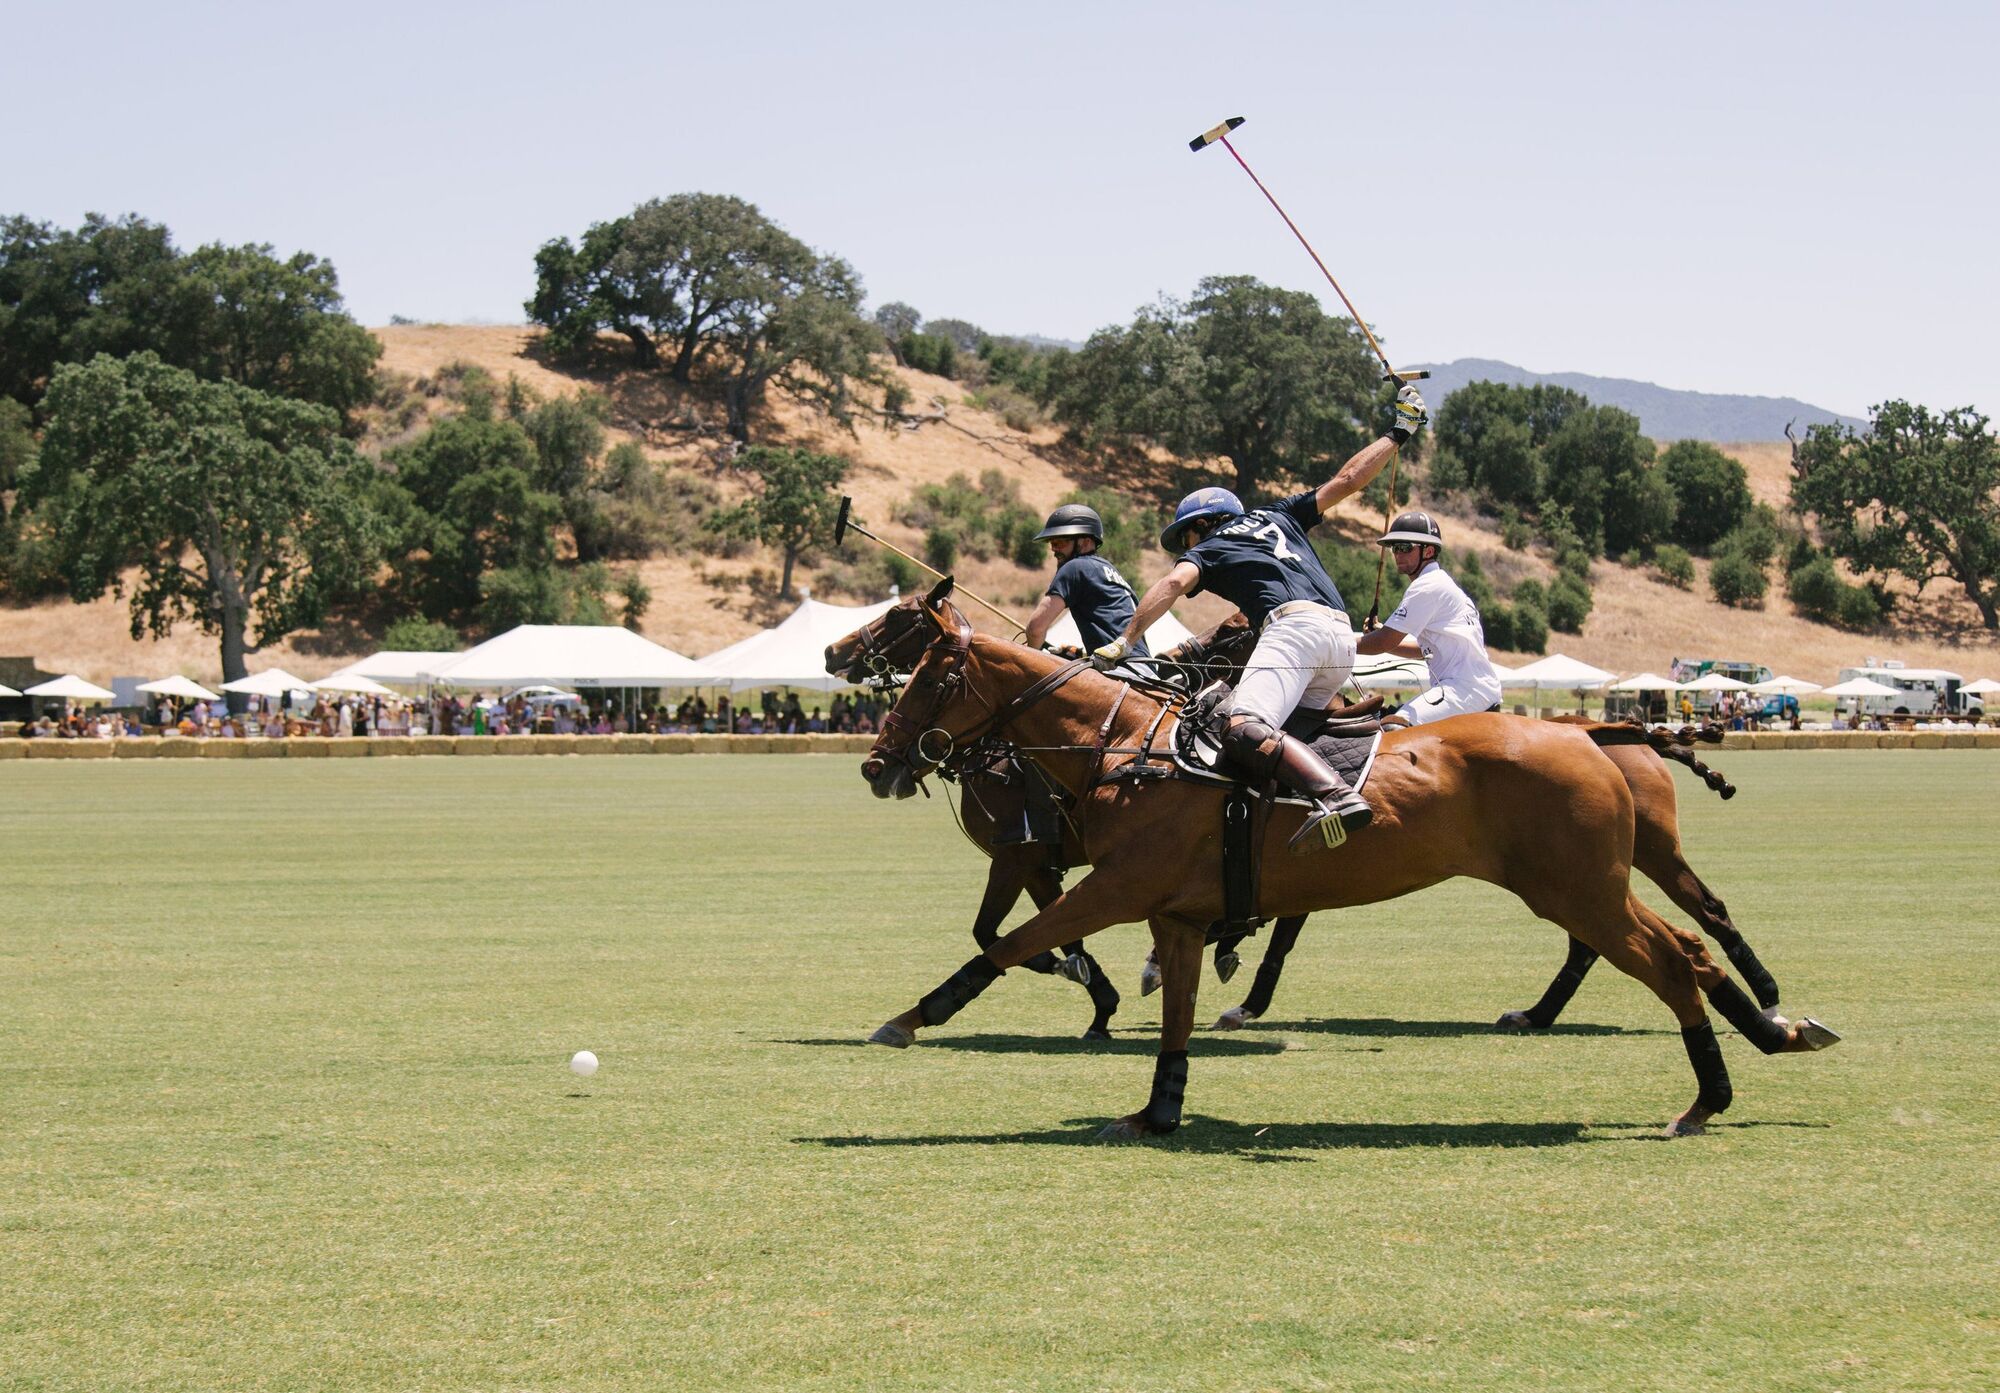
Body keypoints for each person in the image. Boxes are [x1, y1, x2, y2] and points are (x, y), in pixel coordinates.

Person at [1097, 385, 1428, 851]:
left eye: (1187, 537)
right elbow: (1351, 479)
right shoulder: (1279, 513)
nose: (1188, 546)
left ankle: (1337, 799)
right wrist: (1400, 430)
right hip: (1340, 638)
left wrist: (1125, 639)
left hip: (1295, 633)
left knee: (1242, 726)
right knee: (1290, 738)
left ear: (1203, 524)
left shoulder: (1211, 546)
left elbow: (1172, 584)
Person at [1354, 512, 1502, 727]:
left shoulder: (1427, 586)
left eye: (1405, 547)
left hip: (1462, 690)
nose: (1398, 553)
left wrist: (1334, 644)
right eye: (1395, 547)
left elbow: (1384, 641)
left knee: (1393, 728)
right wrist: (1381, 633)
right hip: (1473, 688)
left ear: (1429, 551)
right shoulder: (1442, 583)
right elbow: (1420, 650)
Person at [1021, 504, 1150, 665]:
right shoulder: (1107, 569)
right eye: (1052, 542)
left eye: (1061, 541)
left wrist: (1031, 661)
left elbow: (1035, 629)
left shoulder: (1075, 567)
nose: (1054, 549)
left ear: (1086, 542)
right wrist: (1084, 655)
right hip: (1144, 669)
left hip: (1121, 671)